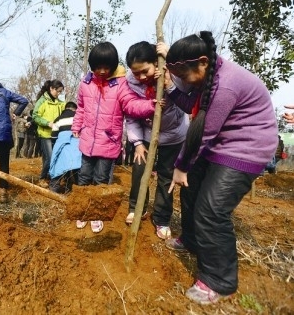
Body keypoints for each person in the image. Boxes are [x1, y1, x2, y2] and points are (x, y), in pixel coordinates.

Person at [164, 31, 278, 305]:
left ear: (202, 63)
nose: (182, 81)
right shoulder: (207, 75)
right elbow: (191, 103)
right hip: (220, 142)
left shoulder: (226, 86)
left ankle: (219, 280)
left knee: (211, 210)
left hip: (245, 148)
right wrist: (169, 83)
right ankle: (191, 239)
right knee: (190, 192)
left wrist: (180, 166)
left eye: (183, 74)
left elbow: (203, 134)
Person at [71, 41, 158, 233]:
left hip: (108, 143)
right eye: (97, 67)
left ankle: (97, 214)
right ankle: (83, 211)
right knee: (84, 177)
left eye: (106, 67)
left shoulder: (120, 85)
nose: (102, 71)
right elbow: (81, 108)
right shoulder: (85, 84)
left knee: (102, 180)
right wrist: (77, 125)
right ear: (91, 66)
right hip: (87, 142)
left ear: (113, 66)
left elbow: (131, 105)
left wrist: (151, 106)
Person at [124, 41, 189, 240]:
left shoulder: (173, 72)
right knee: (139, 171)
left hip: (173, 134)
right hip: (145, 134)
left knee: (165, 176)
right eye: (136, 73)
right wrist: (137, 143)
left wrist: (170, 69)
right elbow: (131, 114)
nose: (142, 77)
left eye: (145, 71)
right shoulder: (130, 84)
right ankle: (137, 208)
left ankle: (162, 218)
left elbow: (188, 90)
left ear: (156, 62)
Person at [32, 80, 65, 188]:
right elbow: (35, 116)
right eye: (58, 91)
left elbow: (66, 111)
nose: (59, 94)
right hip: (45, 134)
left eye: (61, 92)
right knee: (50, 158)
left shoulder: (60, 103)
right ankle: (42, 178)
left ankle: (50, 177)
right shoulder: (42, 101)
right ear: (51, 88)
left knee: (53, 157)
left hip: (56, 134)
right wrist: (47, 123)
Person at [49, 101, 80, 193]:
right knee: (77, 169)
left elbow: (54, 136)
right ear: (75, 109)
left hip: (61, 146)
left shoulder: (58, 119)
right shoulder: (78, 117)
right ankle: (77, 189)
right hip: (77, 147)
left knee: (58, 167)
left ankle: (54, 189)